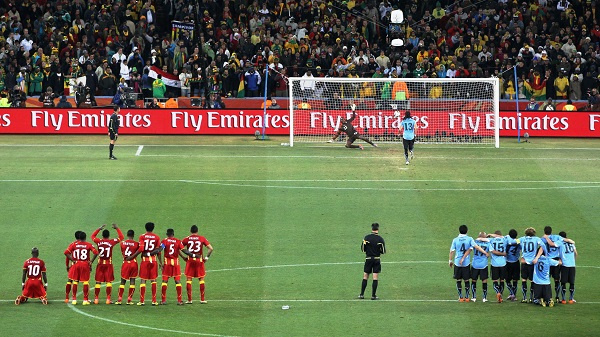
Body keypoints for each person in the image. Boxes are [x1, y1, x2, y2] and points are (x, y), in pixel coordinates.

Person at [449, 225, 489, 302]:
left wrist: (450, 261)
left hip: (457, 262)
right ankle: (467, 297)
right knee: (466, 280)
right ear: (467, 231)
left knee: (458, 280)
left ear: (459, 231)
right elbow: (476, 247)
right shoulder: (469, 239)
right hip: (466, 263)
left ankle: (460, 297)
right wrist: (485, 252)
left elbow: (452, 251)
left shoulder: (455, 240)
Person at [126, 222, 161, 306]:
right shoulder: (157, 237)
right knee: (154, 280)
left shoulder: (142, 236)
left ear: (145, 228)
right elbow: (159, 251)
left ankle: (142, 301)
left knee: (143, 280)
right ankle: (154, 301)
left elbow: (141, 248)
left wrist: (132, 257)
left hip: (145, 261)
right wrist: (161, 262)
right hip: (153, 260)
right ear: (153, 228)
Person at [157, 228, 195, 305]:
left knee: (165, 281)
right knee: (177, 281)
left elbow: (160, 250)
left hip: (167, 263)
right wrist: (193, 255)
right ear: (173, 234)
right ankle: (179, 301)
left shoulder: (164, 241)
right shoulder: (178, 241)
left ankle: (163, 300)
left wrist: (160, 263)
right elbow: (184, 250)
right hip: (176, 263)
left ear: (167, 234)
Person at [91, 224, 124, 304]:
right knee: (108, 281)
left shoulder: (98, 241)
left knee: (98, 281)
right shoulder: (111, 242)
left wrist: (99, 228)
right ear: (109, 236)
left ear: (102, 235)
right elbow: (121, 237)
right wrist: (117, 228)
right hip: (108, 264)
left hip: (100, 264)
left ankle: (96, 299)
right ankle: (108, 299)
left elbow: (92, 236)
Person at [64, 231, 99, 305]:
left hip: (76, 264)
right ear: (85, 237)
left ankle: (73, 299)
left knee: (75, 281)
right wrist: (91, 262)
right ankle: (85, 300)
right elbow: (96, 253)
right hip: (85, 264)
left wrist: (72, 260)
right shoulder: (88, 245)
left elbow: (66, 252)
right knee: (85, 282)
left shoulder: (74, 244)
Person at [182, 225, 213, 304]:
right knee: (201, 279)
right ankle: (202, 299)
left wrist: (183, 257)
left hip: (190, 261)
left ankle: (189, 300)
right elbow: (211, 248)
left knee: (189, 280)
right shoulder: (202, 238)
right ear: (197, 231)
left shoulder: (187, 238)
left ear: (190, 231)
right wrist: (206, 258)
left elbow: (179, 247)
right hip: (199, 261)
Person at [518, 227, 548, 303]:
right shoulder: (537, 239)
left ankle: (524, 298)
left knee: (524, 279)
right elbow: (543, 246)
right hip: (532, 262)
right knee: (532, 280)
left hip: (524, 261)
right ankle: (531, 298)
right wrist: (538, 257)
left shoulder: (522, 239)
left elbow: (514, 242)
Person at [359, 223, 386, 300]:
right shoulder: (380, 239)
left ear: (372, 229)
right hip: (377, 259)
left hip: (368, 259)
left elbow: (363, 249)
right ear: (378, 229)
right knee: (375, 277)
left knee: (365, 276)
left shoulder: (366, 238)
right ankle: (373, 295)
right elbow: (383, 251)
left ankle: (362, 294)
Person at [116, 229, 140, 305]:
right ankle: (129, 300)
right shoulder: (137, 244)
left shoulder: (122, 243)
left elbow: (123, 251)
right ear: (133, 235)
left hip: (125, 263)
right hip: (134, 263)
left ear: (127, 235)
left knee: (123, 281)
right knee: (132, 281)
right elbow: (139, 250)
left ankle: (119, 299)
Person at [470, 232, 490, 302]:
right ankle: (484, 298)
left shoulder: (474, 242)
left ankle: (473, 297)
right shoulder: (488, 243)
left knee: (473, 280)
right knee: (484, 280)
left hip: (475, 264)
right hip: (483, 264)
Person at [559, 231, 577, 304]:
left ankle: (563, 300)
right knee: (572, 283)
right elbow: (576, 253)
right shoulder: (571, 243)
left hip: (564, 265)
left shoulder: (560, 244)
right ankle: (571, 299)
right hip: (572, 265)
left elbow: (559, 254)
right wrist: (573, 261)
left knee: (563, 282)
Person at [64, 231, 82, 303]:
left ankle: (67, 298)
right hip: (82, 265)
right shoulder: (84, 244)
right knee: (77, 281)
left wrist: (67, 265)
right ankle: (78, 298)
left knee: (70, 280)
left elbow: (67, 255)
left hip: (73, 265)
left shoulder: (72, 244)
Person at [505, 229, 521, 301]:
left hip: (508, 262)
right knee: (515, 280)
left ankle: (512, 294)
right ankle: (513, 295)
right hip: (516, 262)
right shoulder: (518, 242)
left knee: (507, 280)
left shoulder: (507, 241)